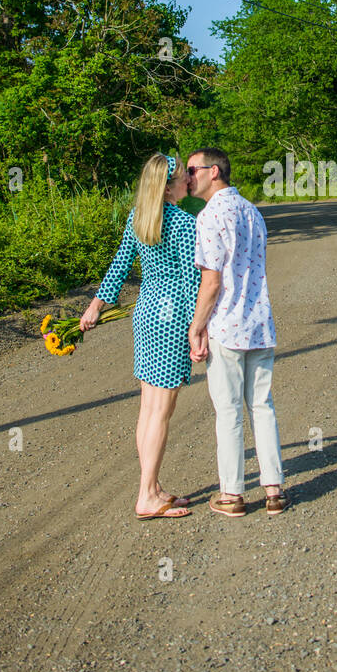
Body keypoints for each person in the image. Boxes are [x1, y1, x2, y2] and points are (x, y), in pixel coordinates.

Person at [79, 153, 199, 519]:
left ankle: (153, 485)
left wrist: (95, 307)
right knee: (161, 411)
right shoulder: (182, 223)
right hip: (174, 316)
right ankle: (147, 494)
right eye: (183, 178)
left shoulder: (139, 219)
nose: (189, 182)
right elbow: (193, 280)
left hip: (147, 315)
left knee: (149, 407)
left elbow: (117, 268)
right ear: (168, 186)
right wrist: (200, 328)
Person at [186, 148, 288, 516]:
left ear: (213, 172)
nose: (187, 176)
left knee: (228, 411)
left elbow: (211, 281)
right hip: (259, 323)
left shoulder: (211, 216)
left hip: (227, 327)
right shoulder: (252, 211)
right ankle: (274, 489)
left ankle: (232, 494)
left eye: (192, 170)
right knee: (262, 406)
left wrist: (197, 327)